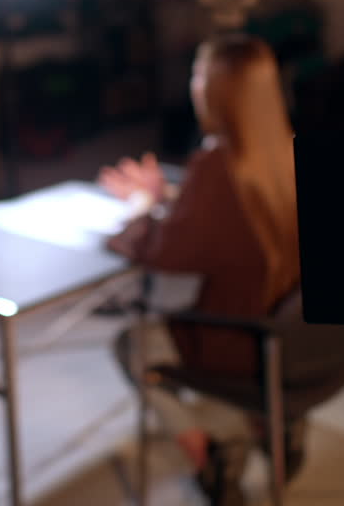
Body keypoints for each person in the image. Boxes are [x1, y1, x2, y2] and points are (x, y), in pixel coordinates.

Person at [100, 32, 302, 504]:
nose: (192, 84)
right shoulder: (288, 149)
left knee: (132, 345)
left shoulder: (218, 164)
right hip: (299, 334)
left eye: (197, 74)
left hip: (244, 341)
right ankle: (268, 424)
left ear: (214, 89)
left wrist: (139, 206)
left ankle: (207, 453)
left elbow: (166, 254)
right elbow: (238, 221)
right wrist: (169, 196)